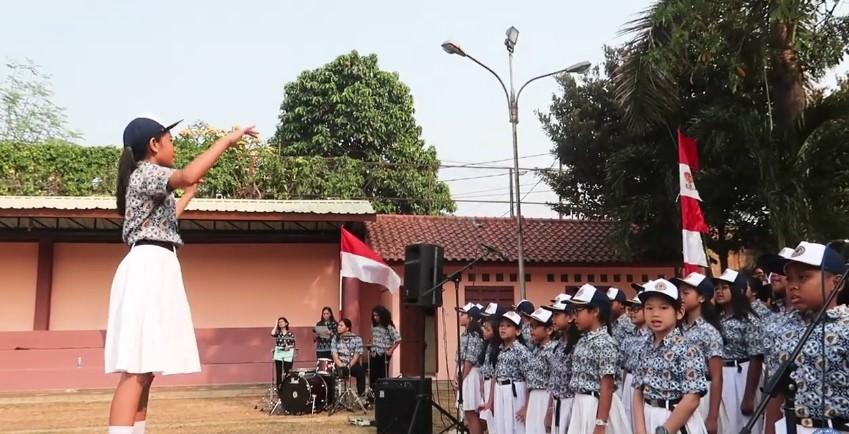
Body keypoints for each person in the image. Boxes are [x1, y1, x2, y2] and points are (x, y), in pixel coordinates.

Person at [105, 117, 257, 434]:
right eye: (170, 140)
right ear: (154, 144)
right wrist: (227, 140)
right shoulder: (146, 172)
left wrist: (188, 195)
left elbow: (164, 222)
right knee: (136, 369)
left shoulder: (146, 178)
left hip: (157, 262)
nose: (174, 146)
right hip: (148, 266)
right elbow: (188, 174)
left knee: (146, 370)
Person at [771, 241, 849, 434]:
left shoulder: (846, 327)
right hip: (790, 426)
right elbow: (776, 391)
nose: (793, 286)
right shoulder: (783, 327)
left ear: (836, 283)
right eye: (789, 279)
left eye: (803, 277)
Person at [632, 279, 708, 434]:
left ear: (679, 312)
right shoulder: (644, 347)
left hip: (675, 421)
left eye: (664, 308)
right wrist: (640, 429)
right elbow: (638, 390)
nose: (655, 313)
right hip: (647, 415)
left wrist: (666, 430)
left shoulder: (687, 349)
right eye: (649, 308)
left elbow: (692, 398)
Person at [567, 284, 632, 434]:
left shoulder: (605, 343)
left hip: (596, 405)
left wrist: (600, 423)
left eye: (578, 311)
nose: (574, 317)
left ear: (595, 311)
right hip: (581, 404)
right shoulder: (583, 340)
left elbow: (607, 386)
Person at [674, 272, 727, 434]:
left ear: (702, 298)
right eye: (680, 293)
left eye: (686, 293)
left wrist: (712, 417)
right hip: (679, 392)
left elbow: (716, 377)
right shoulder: (676, 328)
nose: (681, 297)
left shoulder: (709, 332)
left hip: (702, 396)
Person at [713, 268, 765, 434]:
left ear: (739, 290)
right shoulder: (716, 318)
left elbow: (756, 358)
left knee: (740, 422)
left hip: (741, 374)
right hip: (720, 374)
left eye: (724, 287)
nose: (719, 291)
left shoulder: (749, 319)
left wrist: (749, 396)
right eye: (716, 288)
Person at [543, 295, 579, 434]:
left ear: (570, 317)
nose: (553, 319)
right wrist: (549, 409)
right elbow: (554, 379)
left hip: (572, 403)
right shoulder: (559, 344)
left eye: (557, 315)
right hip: (557, 402)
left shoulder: (578, 345)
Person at [520, 308, 557, 434]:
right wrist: (526, 406)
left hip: (545, 397)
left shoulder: (553, 351)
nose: (531, 331)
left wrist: (550, 408)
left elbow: (554, 381)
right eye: (531, 326)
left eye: (535, 327)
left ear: (549, 330)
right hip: (534, 398)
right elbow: (530, 383)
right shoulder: (536, 350)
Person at [494, 310, 531, 434]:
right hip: (500, 390)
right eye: (501, 325)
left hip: (515, 391)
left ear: (518, 331)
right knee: (502, 427)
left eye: (508, 326)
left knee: (515, 427)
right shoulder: (500, 349)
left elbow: (529, 380)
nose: (503, 328)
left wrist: (526, 406)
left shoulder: (521, 351)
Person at [619, 293, 648, 428]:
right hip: (630, 381)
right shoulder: (629, 336)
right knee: (628, 420)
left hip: (646, 382)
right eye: (631, 309)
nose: (632, 313)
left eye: (637, 309)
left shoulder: (653, 336)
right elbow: (624, 367)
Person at [455, 303, 485, 434]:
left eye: (463, 314)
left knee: (471, 413)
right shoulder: (465, 334)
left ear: (470, 318)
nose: (460, 316)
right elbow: (460, 358)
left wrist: (461, 378)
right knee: (468, 413)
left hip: (470, 374)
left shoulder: (474, 336)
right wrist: (457, 376)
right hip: (464, 372)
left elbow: (470, 360)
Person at [478, 311, 504, 434]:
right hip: (486, 384)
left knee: (494, 422)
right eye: (483, 327)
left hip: (493, 386)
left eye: (487, 329)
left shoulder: (498, 348)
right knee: (488, 421)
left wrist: (490, 400)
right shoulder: (488, 345)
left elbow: (495, 374)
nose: (483, 331)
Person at [331, 318, 366, 396]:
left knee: (361, 371)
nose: (338, 327)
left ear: (347, 328)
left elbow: (356, 356)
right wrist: (341, 365)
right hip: (340, 364)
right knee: (330, 373)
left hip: (351, 364)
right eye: (338, 325)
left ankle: (361, 395)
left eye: (341, 325)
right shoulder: (335, 339)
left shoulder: (357, 339)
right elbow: (335, 355)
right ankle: (332, 397)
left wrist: (348, 366)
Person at [369, 305, 401, 388]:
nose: (375, 317)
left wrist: (390, 350)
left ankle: (382, 392)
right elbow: (372, 338)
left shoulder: (389, 327)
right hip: (374, 353)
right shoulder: (373, 326)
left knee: (382, 374)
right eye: (374, 315)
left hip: (384, 353)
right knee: (372, 374)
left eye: (377, 315)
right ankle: (373, 392)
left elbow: (398, 339)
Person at [271, 317, 296, 387]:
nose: (280, 323)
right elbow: (272, 333)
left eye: (282, 322)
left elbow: (293, 344)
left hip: (288, 354)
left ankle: (287, 387)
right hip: (279, 353)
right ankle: (279, 387)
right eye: (279, 322)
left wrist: (289, 346)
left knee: (287, 371)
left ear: (286, 323)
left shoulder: (290, 333)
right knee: (279, 371)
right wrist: (276, 324)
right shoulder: (278, 333)